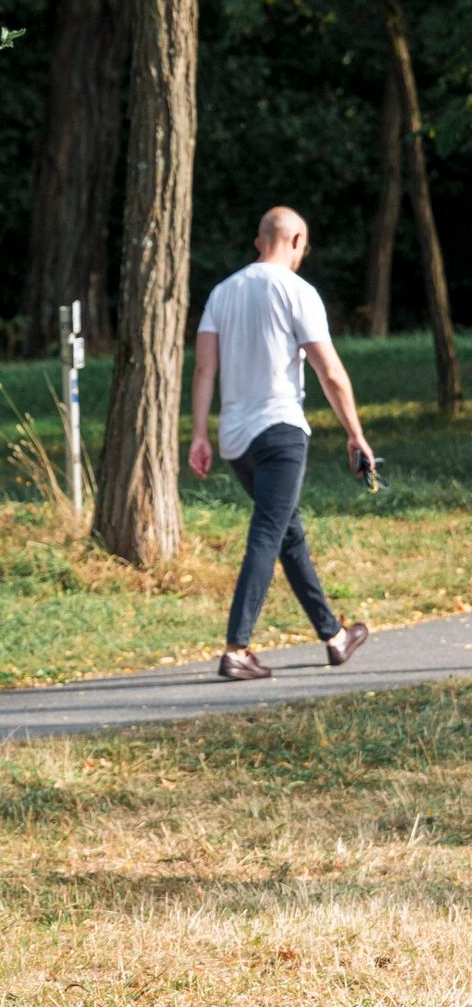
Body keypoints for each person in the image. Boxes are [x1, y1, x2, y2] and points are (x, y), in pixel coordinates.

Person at [188, 206, 372, 680]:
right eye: (303, 248)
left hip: (235, 440)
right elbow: (329, 371)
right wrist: (355, 433)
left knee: (288, 533)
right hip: (281, 433)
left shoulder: (222, 293)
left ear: (258, 241)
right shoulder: (297, 291)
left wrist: (200, 434)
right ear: (294, 241)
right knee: (269, 534)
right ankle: (236, 649)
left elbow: (205, 368)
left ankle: (334, 636)